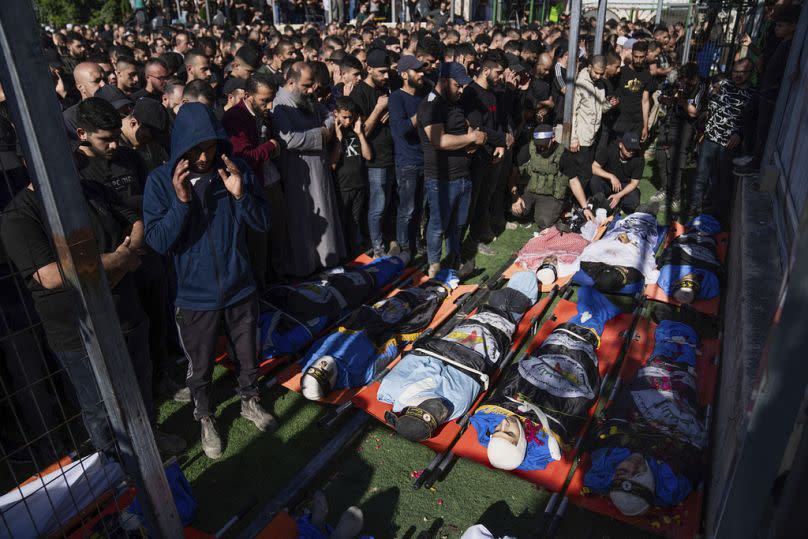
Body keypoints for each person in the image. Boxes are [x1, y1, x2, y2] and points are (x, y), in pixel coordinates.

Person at [1, 100, 185, 456]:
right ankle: (116, 469)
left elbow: (135, 219)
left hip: (124, 312)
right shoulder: (17, 218)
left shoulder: (89, 190)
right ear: (30, 166)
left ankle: (151, 440)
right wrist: (117, 260)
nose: (67, 165)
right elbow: (51, 276)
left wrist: (130, 248)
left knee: (139, 385)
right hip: (77, 332)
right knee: (100, 408)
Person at [143, 103, 273, 459]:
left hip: (240, 287)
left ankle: (250, 400)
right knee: (199, 366)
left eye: (211, 146)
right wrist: (181, 203)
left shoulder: (235, 169)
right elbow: (156, 242)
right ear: (182, 144)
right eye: (196, 148)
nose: (204, 155)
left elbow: (263, 223)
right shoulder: (160, 182)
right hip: (194, 297)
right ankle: (205, 417)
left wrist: (241, 194)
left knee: (248, 355)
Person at [468, 287, 621, 471]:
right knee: (577, 341)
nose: (504, 423)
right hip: (570, 368)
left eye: (497, 430)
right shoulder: (548, 436)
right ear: (521, 443)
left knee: (557, 341)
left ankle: (589, 311)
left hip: (543, 362)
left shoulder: (499, 415)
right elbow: (576, 404)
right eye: (508, 432)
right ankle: (593, 313)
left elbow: (511, 381)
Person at [378, 271, 539, 441]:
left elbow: (421, 357)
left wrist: (434, 367)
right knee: (512, 298)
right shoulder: (456, 404)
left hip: (470, 337)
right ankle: (527, 281)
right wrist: (434, 366)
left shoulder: (391, 388)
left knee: (503, 299)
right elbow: (429, 359)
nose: (440, 410)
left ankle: (526, 281)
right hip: (487, 337)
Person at [583, 318, 708, 516]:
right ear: (651, 481)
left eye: (623, 471)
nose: (632, 464)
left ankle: (670, 329)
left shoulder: (606, 459)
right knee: (681, 367)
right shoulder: (671, 479)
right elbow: (679, 484)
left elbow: (594, 478)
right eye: (639, 473)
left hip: (646, 389)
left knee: (659, 361)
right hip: (676, 396)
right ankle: (684, 331)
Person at [299, 267, 453, 401]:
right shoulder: (355, 376)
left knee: (398, 300)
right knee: (418, 311)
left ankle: (430, 283)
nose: (322, 365)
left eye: (315, 368)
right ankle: (444, 285)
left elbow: (322, 341)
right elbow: (382, 359)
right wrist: (391, 342)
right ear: (330, 382)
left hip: (361, 320)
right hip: (384, 333)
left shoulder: (308, 361)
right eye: (324, 371)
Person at [272, 61, 346, 277]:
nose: (311, 90)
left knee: (325, 210)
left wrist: (327, 128)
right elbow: (289, 139)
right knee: (302, 220)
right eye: (306, 86)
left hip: (319, 166)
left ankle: (327, 261)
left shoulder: (308, 97)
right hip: (298, 172)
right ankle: (305, 267)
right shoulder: (280, 105)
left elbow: (329, 116)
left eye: (311, 85)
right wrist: (320, 134)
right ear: (291, 82)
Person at [417, 62, 486, 278]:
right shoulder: (431, 105)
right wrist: (471, 138)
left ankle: (454, 260)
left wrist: (471, 140)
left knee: (457, 225)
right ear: (444, 81)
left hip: (462, 174)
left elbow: (463, 129)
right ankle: (434, 264)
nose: (461, 90)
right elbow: (440, 141)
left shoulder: (454, 103)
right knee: (438, 225)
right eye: (458, 85)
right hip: (441, 178)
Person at [221, 72, 281, 286]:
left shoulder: (262, 114)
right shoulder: (235, 119)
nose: (270, 106)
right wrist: (271, 147)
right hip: (250, 191)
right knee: (257, 247)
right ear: (247, 95)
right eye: (264, 100)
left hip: (268, 183)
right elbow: (243, 159)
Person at [459, 50, 508, 262]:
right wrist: (503, 139)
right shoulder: (471, 93)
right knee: (471, 203)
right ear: (485, 69)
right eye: (498, 72)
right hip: (476, 158)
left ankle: (476, 238)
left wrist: (501, 146)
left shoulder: (493, 92)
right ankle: (461, 245)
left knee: (484, 199)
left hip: (492, 155)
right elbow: (478, 128)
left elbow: (494, 124)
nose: (501, 76)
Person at [690, 58, 753, 218]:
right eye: (735, 72)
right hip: (711, 137)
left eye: (742, 72)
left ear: (750, 73)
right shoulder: (725, 85)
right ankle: (694, 207)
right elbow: (713, 104)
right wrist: (706, 114)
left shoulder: (753, 93)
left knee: (723, 180)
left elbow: (751, 120)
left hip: (729, 145)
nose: (738, 75)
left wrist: (740, 134)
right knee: (701, 174)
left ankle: (718, 212)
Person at [350, 48, 395, 258]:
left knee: (388, 204)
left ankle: (388, 240)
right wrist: (377, 110)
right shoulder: (358, 94)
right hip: (374, 160)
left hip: (391, 154)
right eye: (382, 72)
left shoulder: (387, 87)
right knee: (377, 206)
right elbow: (362, 132)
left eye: (388, 71)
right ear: (369, 69)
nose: (386, 76)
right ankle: (377, 249)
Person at [567, 55, 616, 221]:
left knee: (585, 174)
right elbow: (572, 112)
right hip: (579, 138)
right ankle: (573, 205)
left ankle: (577, 204)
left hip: (591, 137)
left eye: (601, 73)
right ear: (589, 67)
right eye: (596, 72)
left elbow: (600, 109)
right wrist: (573, 137)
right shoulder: (580, 84)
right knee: (582, 174)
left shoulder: (601, 86)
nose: (598, 76)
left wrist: (610, 104)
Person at [388, 55, 427, 258]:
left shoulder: (421, 96)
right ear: (404, 75)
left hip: (423, 160)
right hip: (407, 162)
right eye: (417, 70)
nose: (421, 74)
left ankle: (415, 243)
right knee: (408, 209)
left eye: (422, 70)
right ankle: (403, 248)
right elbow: (401, 128)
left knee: (419, 208)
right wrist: (420, 114)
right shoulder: (396, 98)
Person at [330, 96, 371, 256]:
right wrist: (339, 140)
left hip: (359, 184)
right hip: (342, 186)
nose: (347, 121)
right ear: (336, 114)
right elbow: (332, 164)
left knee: (355, 221)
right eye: (344, 117)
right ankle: (342, 254)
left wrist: (360, 134)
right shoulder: (333, 135)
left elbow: (367, 156)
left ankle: (354, 253)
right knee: (343, 222)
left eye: (350, 117)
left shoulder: (356, 130)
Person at [510, 124, 571, 230]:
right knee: (515, 211)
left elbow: (573, 180)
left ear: (552, 139)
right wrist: (515, 197)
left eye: (543, 145)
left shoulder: (563, 153)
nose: (540, 148)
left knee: (544, 222)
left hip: (550, 194)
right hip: (532, 189)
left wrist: (584, 207)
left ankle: (553, 210)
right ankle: (530, 212)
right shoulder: (530, 147)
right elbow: (514, 169)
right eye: (538, 145)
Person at [590, 132, 644, 215]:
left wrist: (619, 195)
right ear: (621, 145)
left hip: (625, 186)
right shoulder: (610, 149)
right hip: (608, 182)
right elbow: (594, 167)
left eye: (634, 149)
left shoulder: (639, 158)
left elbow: (634, 183)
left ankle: (615, 204)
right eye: (629, 148)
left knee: (634, 201)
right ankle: (602, 203)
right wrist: (611, 177)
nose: (631, 151)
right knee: (595, 180)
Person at [614, 40, 651, 144]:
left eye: (641, 57)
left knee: (631, 151)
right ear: (632, 54)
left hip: (636, 122)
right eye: (636, 56)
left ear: (646, 56)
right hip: (620, 119)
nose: (638, 60)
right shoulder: (621, 72)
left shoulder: (647, 75)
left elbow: (645, 101)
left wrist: (645, 125)